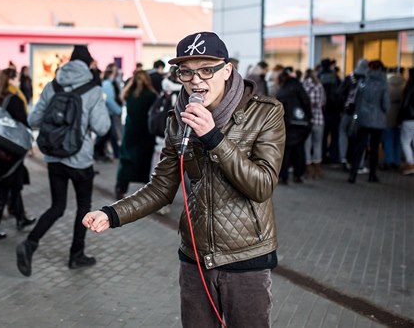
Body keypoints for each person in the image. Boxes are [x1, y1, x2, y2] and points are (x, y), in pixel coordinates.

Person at [83, 31, 285, 328]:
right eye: (186, 72)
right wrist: (112, 214)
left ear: (227, 69)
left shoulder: (265, 113)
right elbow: (161, 187)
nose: (196, 81)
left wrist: (214, 138)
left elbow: (262, 185)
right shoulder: (178, 119)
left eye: (206, 69)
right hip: (195, 258)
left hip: (246, 257)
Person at [16, 45, 110, 277]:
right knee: (83, 207)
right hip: (80, 160)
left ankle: (29, 244)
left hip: (54, 156)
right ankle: (76, 255)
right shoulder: (93, 90)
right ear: (88, 64)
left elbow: (33, 119)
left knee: (57, 207)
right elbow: (102, 127)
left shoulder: (52, 86)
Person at [0, 68, 36, 241]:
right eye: (16, 78)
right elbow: (23, 125)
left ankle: (21, 218)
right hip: (12, 151)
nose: (19, 81)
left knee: (14, 187)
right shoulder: (15, 99)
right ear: (10, 80)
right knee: (4, 192)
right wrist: (29, 145)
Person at [114, 69, 158, 199]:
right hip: (146, 133)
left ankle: (121, 187)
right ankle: (148, 191)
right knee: (146, 161)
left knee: (127, 160)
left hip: (130, 131)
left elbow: (122, 97)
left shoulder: (129, 93)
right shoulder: (152, 95)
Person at [347, 60, 389, 184]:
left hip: (363, 119)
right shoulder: (383, 84)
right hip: (378, 121)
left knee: (359, 147)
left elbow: (356, 101)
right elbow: (385, 104)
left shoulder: (363, 82)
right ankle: (372, 175)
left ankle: (353, 174)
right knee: (375, 149)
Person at [277, 67, 312, 184]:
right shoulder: (298, 86)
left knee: (286, 151)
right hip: (300, 123)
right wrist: (308, 117)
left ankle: (283, 176)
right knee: (299, 150)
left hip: (287, 124)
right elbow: (306, 102)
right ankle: (299, 174)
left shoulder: (282, 89)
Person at [93, 63, 122, 161]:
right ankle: (100, 152)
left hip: (108, 112)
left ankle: (105, 153)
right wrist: (118, 110)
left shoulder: (108, 83)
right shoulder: (107, 84)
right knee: (107, 134)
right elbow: (109, 100)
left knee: (108, 134)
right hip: (108, 113)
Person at [302, 68, 326, 179]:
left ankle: (308, 168)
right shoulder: (319, 86)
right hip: (319, 119)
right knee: (318, 144)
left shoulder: (304, 86)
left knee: (307, 145)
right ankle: (318, 168)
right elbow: (323, 102)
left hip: (307, 120)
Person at [399, 67, 414, 175]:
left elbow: (405, 105)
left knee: (405, 141)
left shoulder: (410, 87)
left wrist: (399, 118)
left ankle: (410, 163)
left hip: (409, 118)